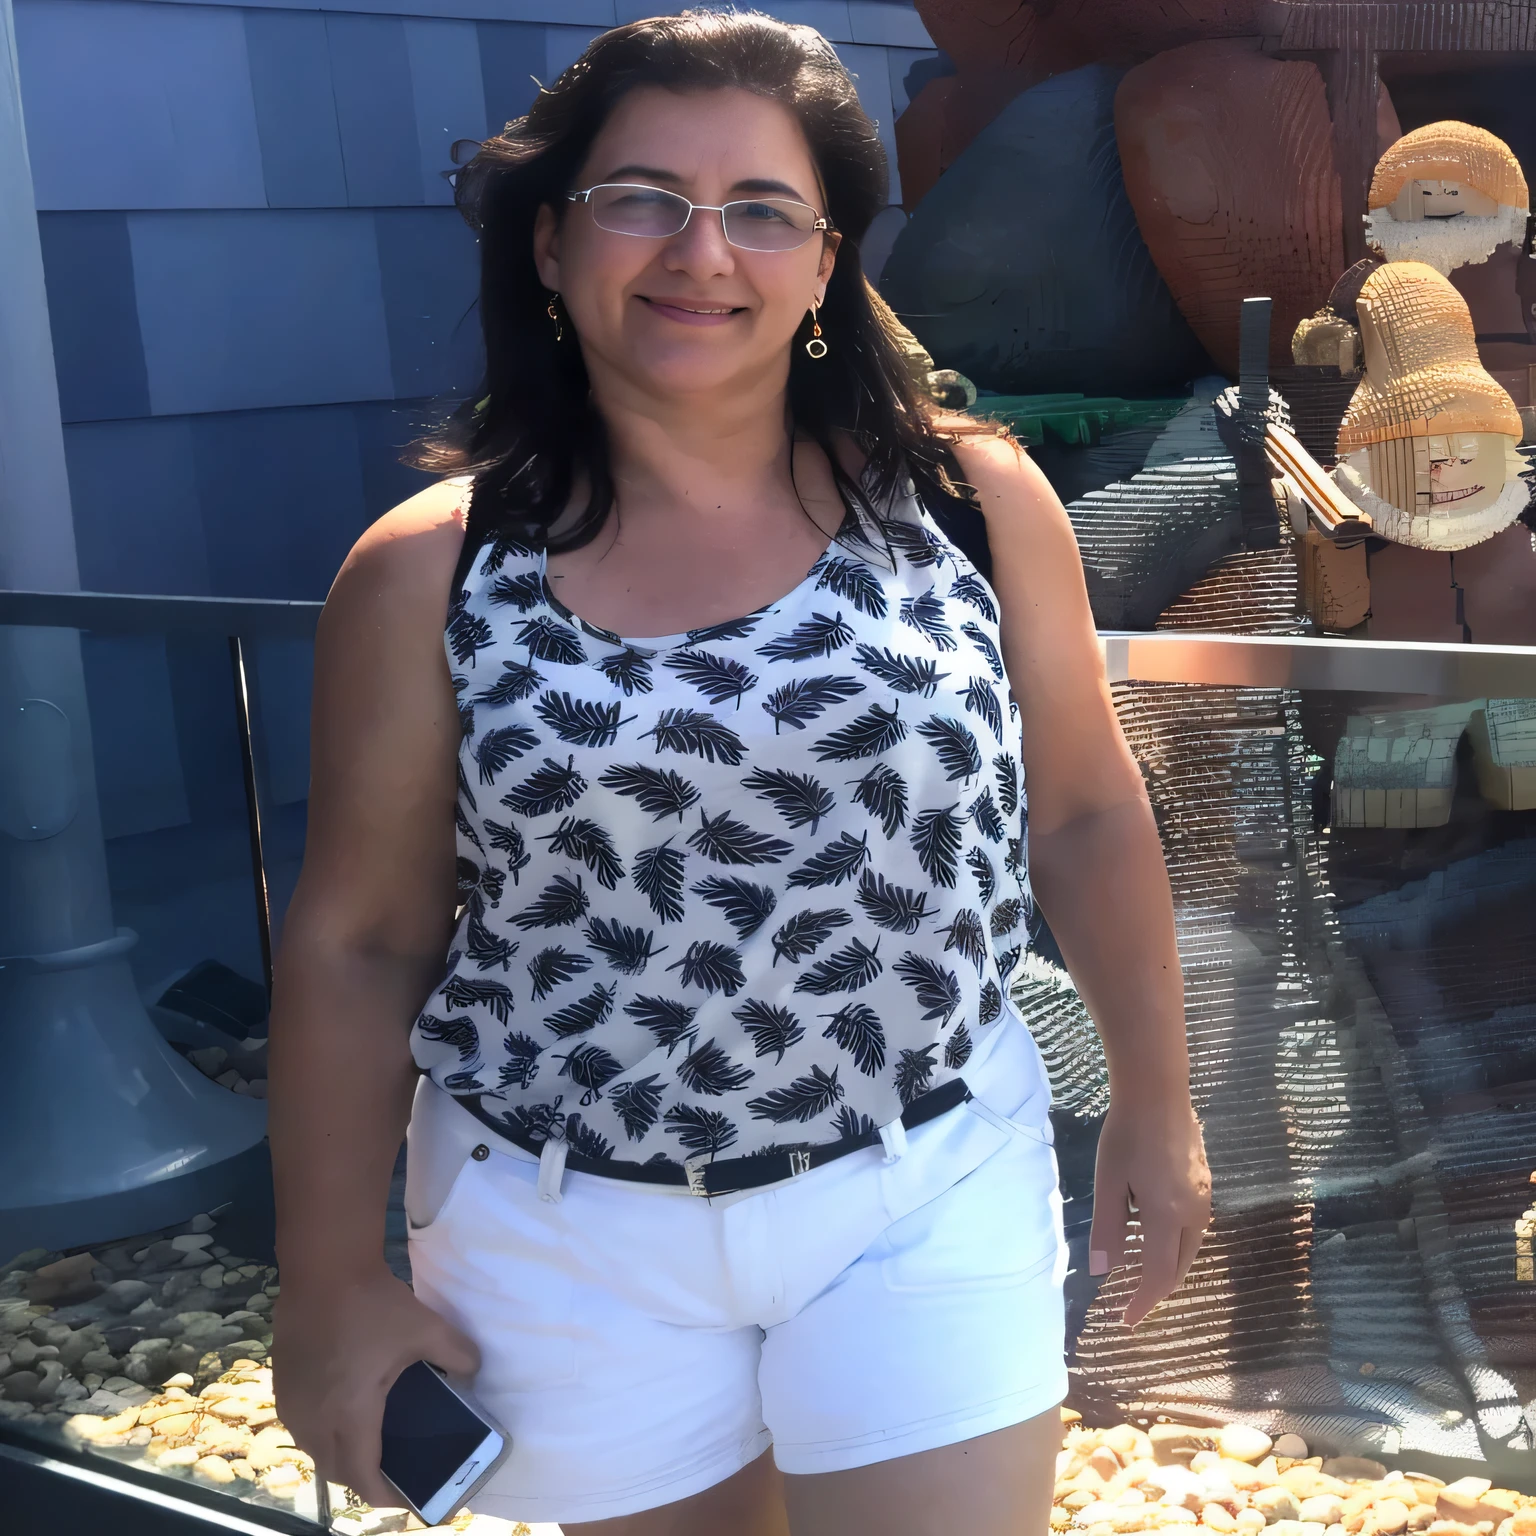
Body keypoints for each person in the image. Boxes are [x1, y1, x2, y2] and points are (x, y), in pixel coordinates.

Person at [267, 12, 1211, 1535]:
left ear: (828, 264)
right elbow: (360, 940)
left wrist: (1160, 1107)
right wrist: (326, 1283)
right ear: (553, 243)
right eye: (643, 196)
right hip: (564, 1229)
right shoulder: (427, 575)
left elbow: (1088, 810)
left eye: (762, 210)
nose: (701, 252)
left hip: (921, 1183)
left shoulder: (971, 504)